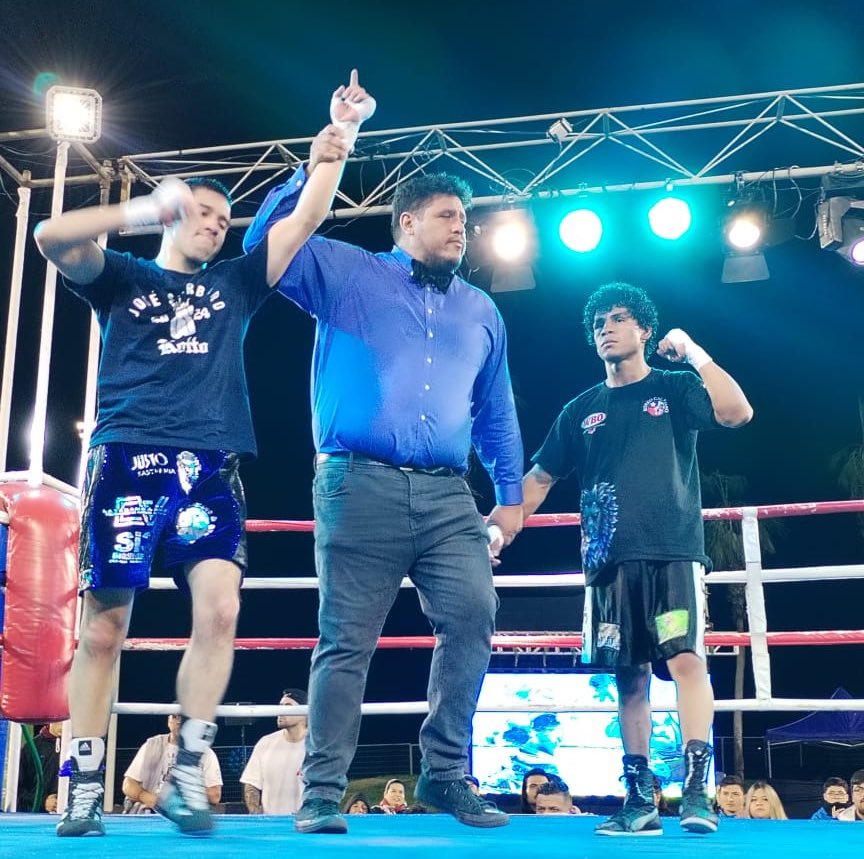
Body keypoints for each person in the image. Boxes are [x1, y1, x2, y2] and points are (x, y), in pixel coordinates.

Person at [34, 70, 373, 839]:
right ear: (174, 214)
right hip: (126, 460)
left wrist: (340, 137)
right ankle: (83, 781)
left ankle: (189, 770)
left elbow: (306, 218)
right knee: (103, 629)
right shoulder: (122, 276)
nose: (217, 225)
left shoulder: (236, 285)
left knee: (220, 610)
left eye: (225, 218)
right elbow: (49, 237)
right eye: (204, 212)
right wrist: (139, 206)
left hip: (209, 468)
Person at [243, 162, 525, 834]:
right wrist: (314, 167)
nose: (461, 227)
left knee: (474, 611)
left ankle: (446, 771)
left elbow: (496, 410)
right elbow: (265, 247)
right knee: (346, 640)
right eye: (445, 215)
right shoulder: (348, 272)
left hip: (447, 493)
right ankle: (321, 789)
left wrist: (510, 494)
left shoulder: (483, 310)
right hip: (357, 481)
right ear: (406, 222)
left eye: (465, 218)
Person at [491, 282, 753, 836]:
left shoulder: (677, 388)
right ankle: (639, 802)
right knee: (627, 678)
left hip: (673, 554)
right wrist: (497, 526)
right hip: (608, 563)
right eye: (597, 324)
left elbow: (736, 412)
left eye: (616, 319)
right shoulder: (581, 410)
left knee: (685, 662)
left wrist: (697, 353)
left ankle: (698, 794)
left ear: (644, 331)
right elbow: (538, 479)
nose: (605, 329)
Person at [122, 714, 222, 813]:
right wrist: (150, 799)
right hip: (148, 809)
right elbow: (128, 785)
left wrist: (181, 799)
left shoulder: (206, 753)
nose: (179, 721)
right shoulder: (152, 745)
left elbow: (215, 796)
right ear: (168, 721)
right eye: (175, 717)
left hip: (185, 811)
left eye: (183, 718)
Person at [240, 688, 308, 814]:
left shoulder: (315, 747)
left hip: (304, 824)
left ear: (304, 712)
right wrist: (256, 816)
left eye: (287, 706)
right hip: (272, 825)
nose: (280, 711)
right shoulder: (265, 743)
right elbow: (251, 783)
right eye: (280, 706)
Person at [18, 723, 63, 813]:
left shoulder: (78, 748)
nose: (64, 725)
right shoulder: (31, 748)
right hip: (37, 817)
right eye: (60, 720)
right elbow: (18, 791)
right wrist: (43, 801)